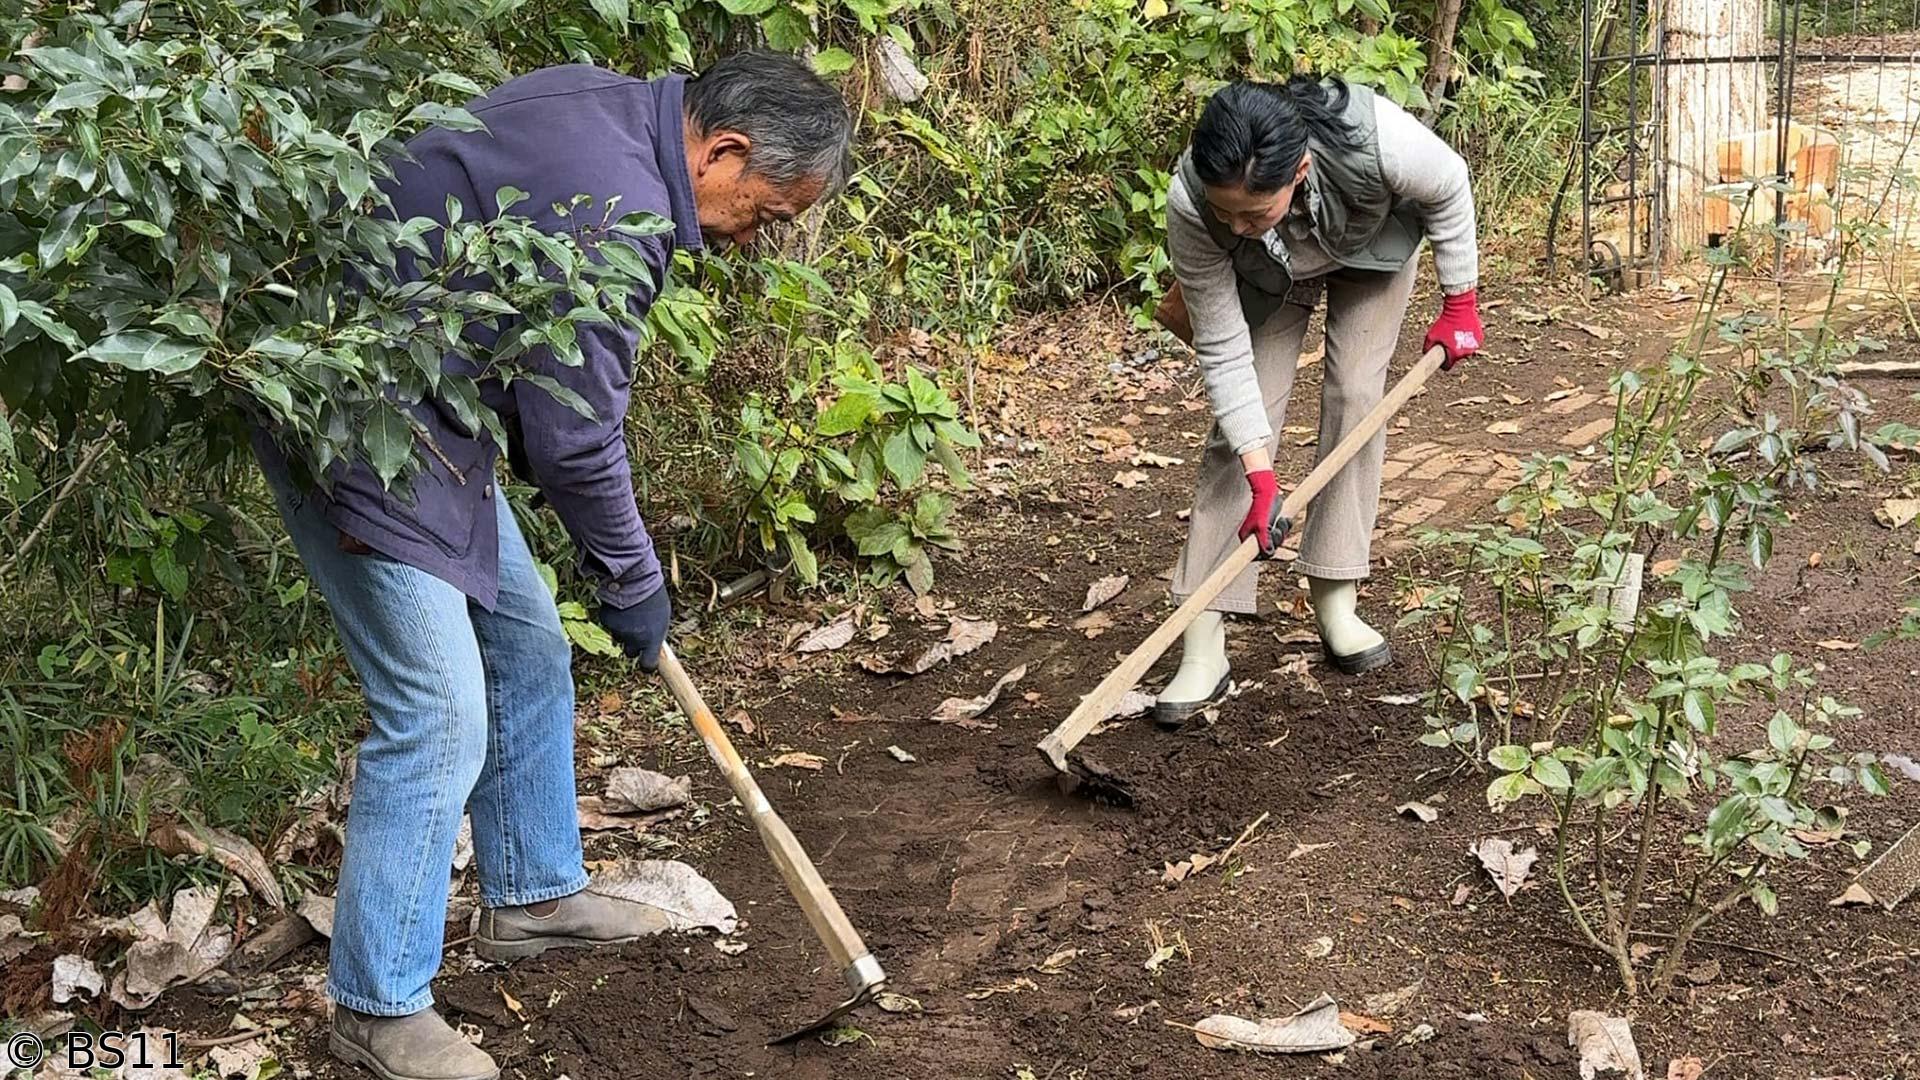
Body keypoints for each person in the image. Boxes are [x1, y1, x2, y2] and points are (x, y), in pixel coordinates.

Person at [252, 53, 852, 1080]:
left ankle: (530, 897)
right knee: (439, 712)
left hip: (430, 402)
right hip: (356, 412)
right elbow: (574, 439)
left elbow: (548, 410)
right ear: (726, 151)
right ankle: (376, 1005)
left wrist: (618, 565)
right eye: (770, 211)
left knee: (527, 647)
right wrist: (634, 575)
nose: (761, 237)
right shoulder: (617, 203)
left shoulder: (616, 115)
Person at [1152, 76, 1483, 725]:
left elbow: (1448, 182)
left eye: (1253, 211)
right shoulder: (1194, 206)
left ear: (1299, 170)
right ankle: (1202, 636)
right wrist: (1261, 473)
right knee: (1239, 429)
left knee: (1358, 394)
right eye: (1228, 213)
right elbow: (1220, 347)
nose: (1235, 223)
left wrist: (1460, 301)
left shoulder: (1376, 139)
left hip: (1370, 251)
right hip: (1269, 276)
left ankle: (1335, 597)